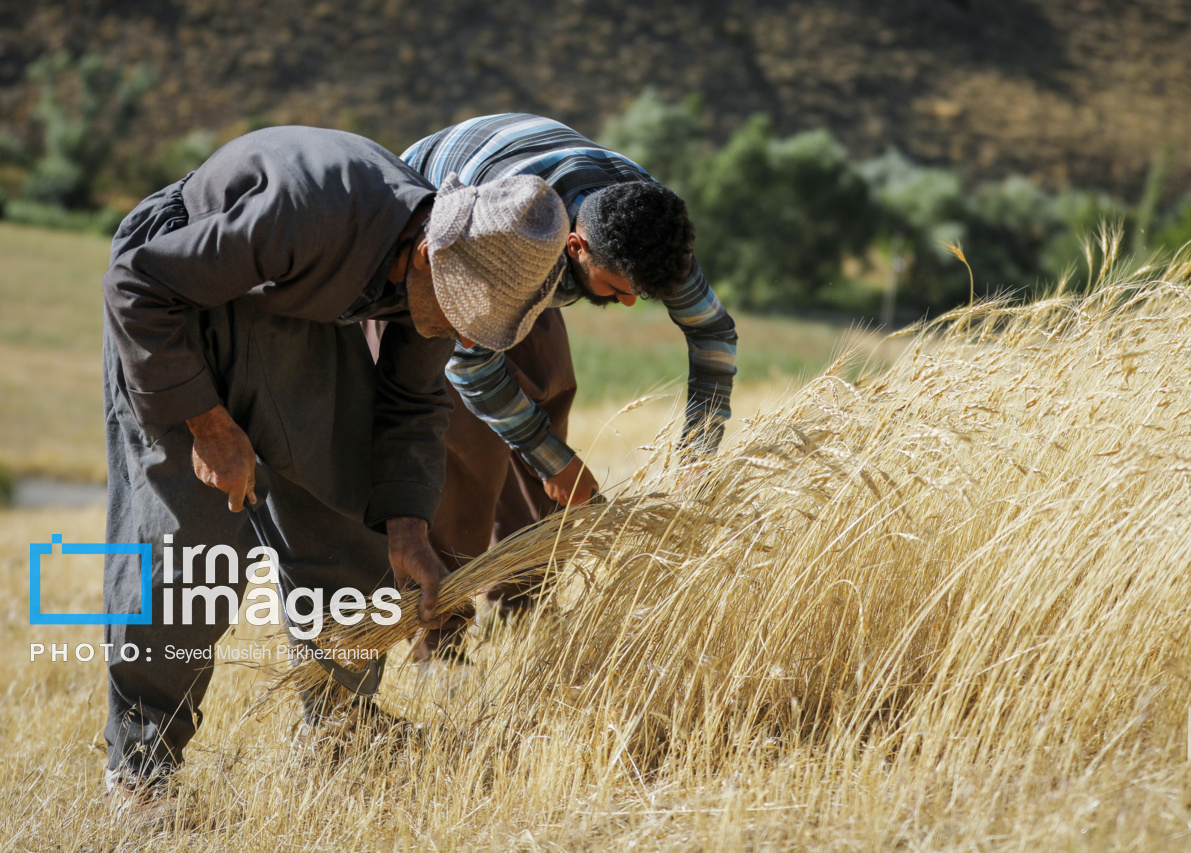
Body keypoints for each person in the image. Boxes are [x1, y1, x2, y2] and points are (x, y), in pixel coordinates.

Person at [99, 125, 569, 821]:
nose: (465, 338)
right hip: (177, 308)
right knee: (185, 556)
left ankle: (341, 729)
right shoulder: (306, 211)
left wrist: (409, 525)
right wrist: (206, 420)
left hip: (300, 310)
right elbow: (136, 282)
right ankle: (141, 771)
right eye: (461, 317)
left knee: (354, 531)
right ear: (423, 256)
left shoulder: (438, 275)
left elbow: (412, 399)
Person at [397, 114, 738, 653]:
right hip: (440, 258)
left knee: (549, 391)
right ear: (576, 247)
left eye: (640, 294)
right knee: (466, 448)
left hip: (532, 264)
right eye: (618, 288)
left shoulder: (648, 223)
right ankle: (442, 640)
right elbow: (469, 366)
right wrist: (552, 458)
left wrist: (699, 453)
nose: (628, 303)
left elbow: (713, 333)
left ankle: (521, 606)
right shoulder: (515, 227)